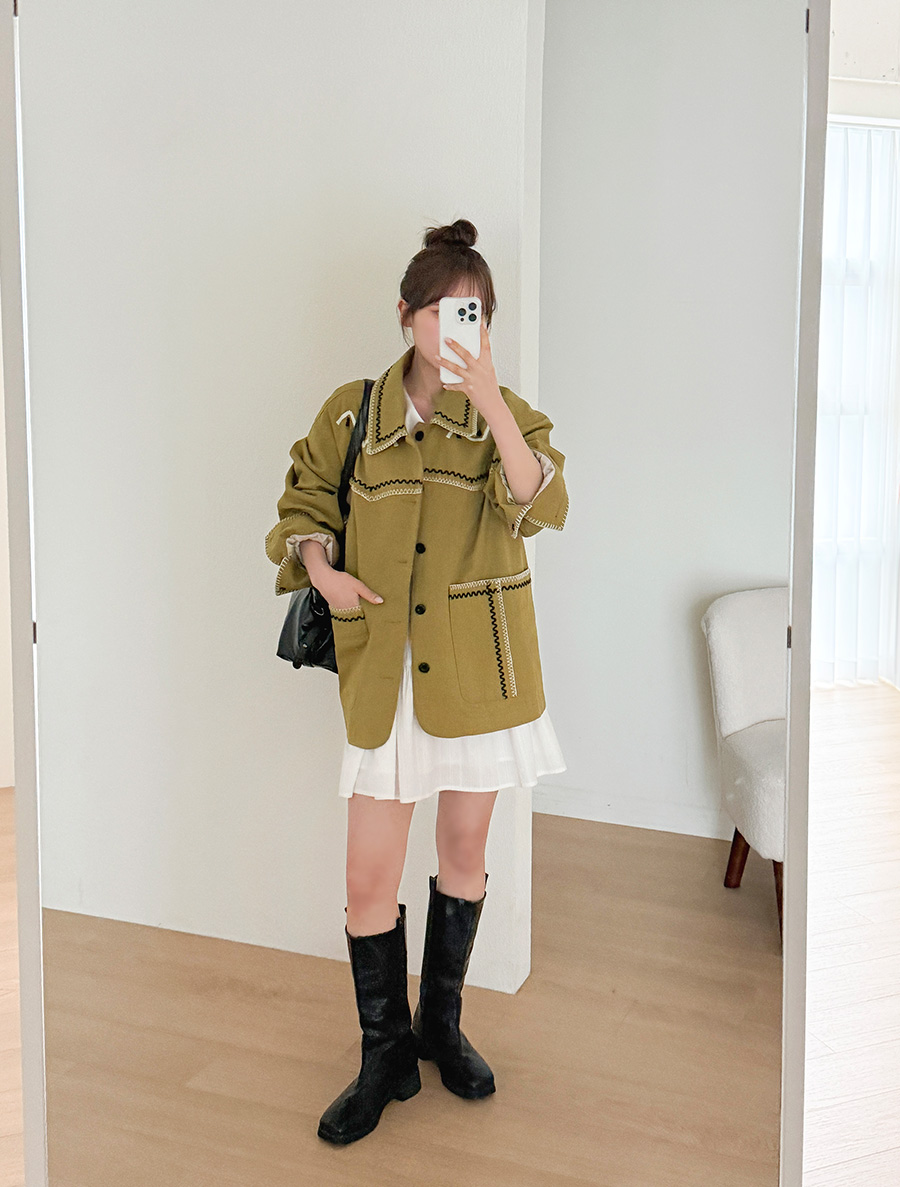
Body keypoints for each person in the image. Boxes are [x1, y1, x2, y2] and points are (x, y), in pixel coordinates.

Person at [264, 219, 569, 1145]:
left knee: (465, 850)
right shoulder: (353, 413)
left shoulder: (504, 415)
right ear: (405, 315)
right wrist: (322, 571)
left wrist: (493, 403)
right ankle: (384, 1054)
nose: (455, 328)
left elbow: (540, 500)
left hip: (479, 670)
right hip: (386, 673)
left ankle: (441, 1024)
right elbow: (303, 500)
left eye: (474, 313)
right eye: (441, 310)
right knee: (367, 874)